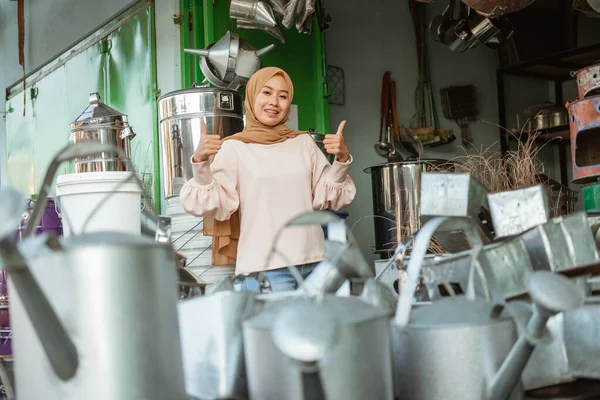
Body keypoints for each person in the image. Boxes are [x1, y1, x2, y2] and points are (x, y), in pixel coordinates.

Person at [179, 66, 356, 292]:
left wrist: (341, 159)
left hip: (315, 263)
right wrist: (200, 162)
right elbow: (215, 204)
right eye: (267, 92)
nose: (274, 101)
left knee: (316, 328)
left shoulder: (303, 143)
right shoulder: (234, 147)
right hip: (267, 270)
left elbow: (327, 197)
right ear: (252, 97)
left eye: (283, 96)